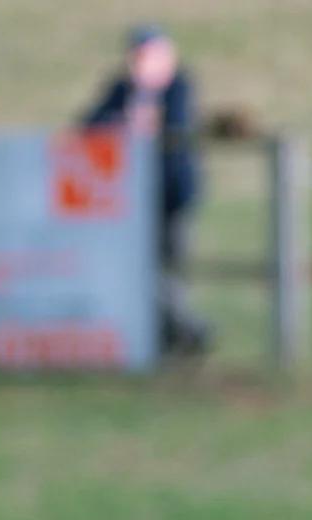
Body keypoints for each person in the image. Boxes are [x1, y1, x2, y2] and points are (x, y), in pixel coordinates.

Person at [82, 26, 209, 355]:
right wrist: (125, 123)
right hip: (133, 201)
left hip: (172, 196)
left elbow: (176, 134)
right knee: (145, 271)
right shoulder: (122, 90)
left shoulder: (179, 88)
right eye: (138, 56)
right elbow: (89, 126)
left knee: (170, 269)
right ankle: (183, 332)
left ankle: (180, 336)